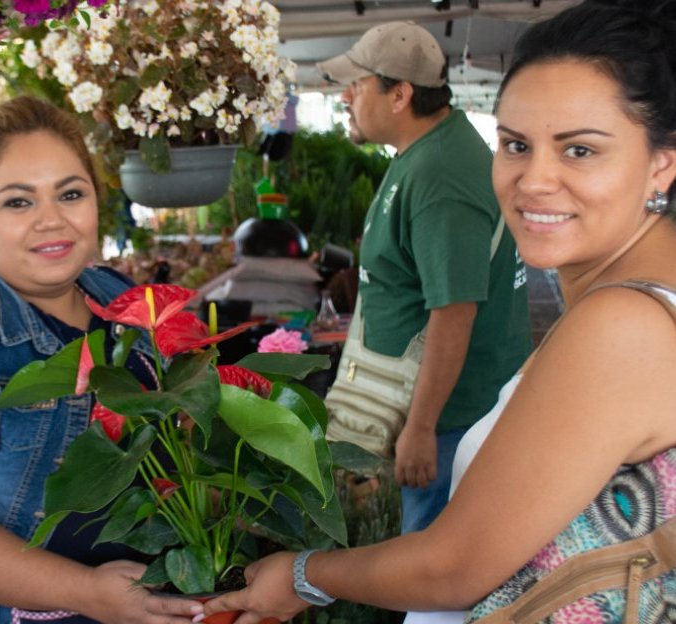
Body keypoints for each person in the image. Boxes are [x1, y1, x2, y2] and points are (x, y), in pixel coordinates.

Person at [203, 1, 676, 622]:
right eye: (515, 144)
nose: (534, 179)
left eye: (580, 150)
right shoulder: (631, 303)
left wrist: (302, 575)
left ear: (662, 164)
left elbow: (454, 567)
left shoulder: (623, 325)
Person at [0, 96, 204, 624]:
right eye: (18, 202)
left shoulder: (119, 298)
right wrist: (89, 592)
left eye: (70, 194)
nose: (51, 220)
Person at [318, 21, 532, 533]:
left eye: (357, 85)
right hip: (441, 415)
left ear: (400, 95)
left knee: (435, 562)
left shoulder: (441, 175)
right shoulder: (425, 154)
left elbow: (454, 312)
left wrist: (420, 427)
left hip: (453, 422)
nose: (346, 97)